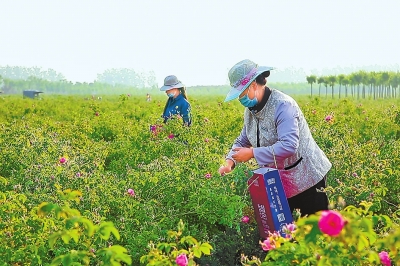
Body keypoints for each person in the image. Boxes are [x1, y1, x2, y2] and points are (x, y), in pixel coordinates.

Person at [218, 59, 331, 217]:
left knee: (315, 232)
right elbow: (243, 140)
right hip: (282, 181)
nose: (240, 99)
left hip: (308, 179)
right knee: (281, 233)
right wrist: (229, 162)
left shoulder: (283, 106)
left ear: (253, 85)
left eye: (242, 94)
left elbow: (289, 146)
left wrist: (252, 153)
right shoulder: (251, 110)